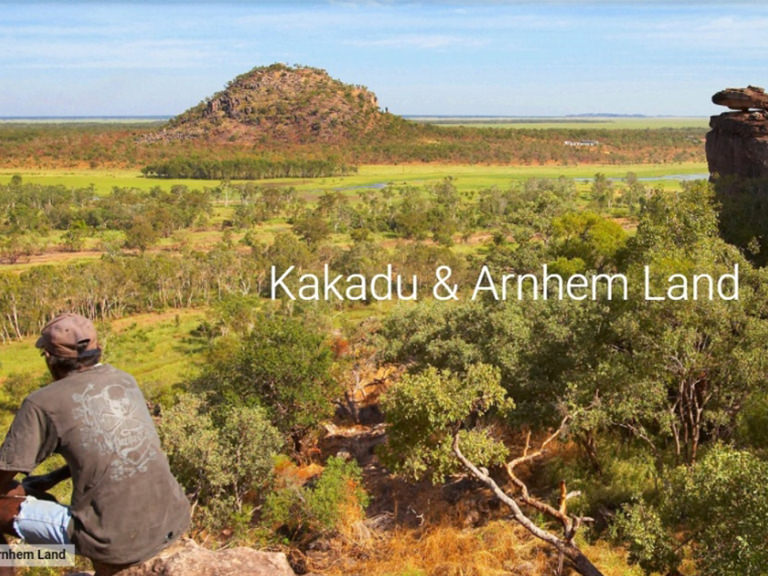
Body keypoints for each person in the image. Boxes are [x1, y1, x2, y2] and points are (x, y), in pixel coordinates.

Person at [0, 313, 190, 575]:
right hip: (173, 519)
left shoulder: (42, 403)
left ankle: (22, 565)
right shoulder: (124, 379)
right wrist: (45, 480)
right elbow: (108, 451)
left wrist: (18, 488)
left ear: (48, 357)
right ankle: (53, 558)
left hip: (115, 540)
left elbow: (3, 475)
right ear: (96, 349)